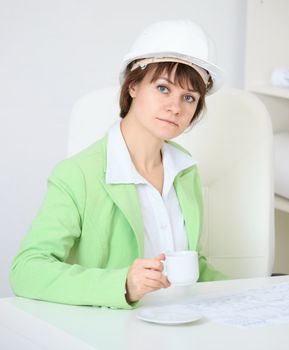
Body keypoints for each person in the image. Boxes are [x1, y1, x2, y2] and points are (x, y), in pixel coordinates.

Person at [10, 19, 226, 309]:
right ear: (134, 86)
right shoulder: (77, 175)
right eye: (163, 88)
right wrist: (122, 284)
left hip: (183, 325)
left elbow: (189, 264)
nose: (176, 107)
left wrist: (253, 294)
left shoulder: (185, 171)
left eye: (189, 97)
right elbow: (26, 270)